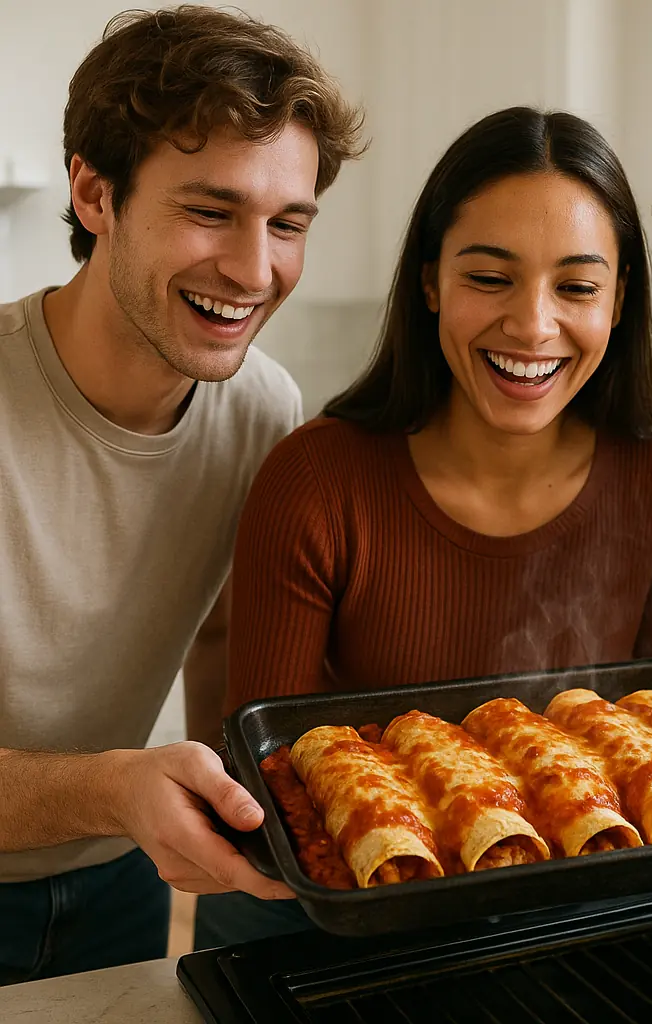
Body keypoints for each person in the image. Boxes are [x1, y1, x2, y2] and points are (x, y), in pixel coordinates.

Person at [194, 105, 652, 947]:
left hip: (581, 920)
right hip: (328, 920)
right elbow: (274, 783)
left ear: (619, 301)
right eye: (490, 277)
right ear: (431, 280)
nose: (533, 324)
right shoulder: (318, 480)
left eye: (577, 286)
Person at [0, 5, 363, 982]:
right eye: (210, 210)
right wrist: (122, 789)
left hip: (122, 883)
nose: (255, 270)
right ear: (93, 192)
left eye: (287, 223)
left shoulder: (262, 408)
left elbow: (215, 630)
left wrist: (221, 805)